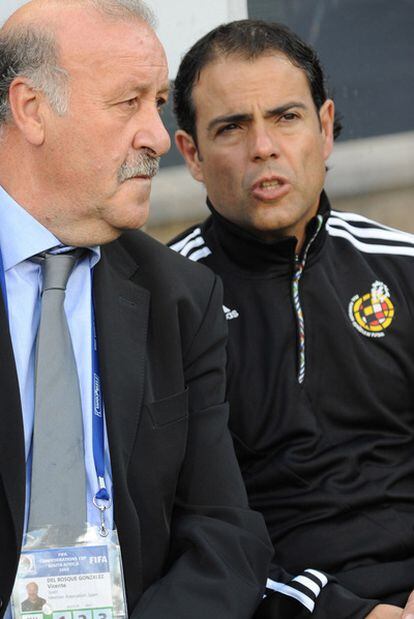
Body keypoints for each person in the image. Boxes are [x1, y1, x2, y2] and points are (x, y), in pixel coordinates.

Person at [0, 3, 272, 618]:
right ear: (31, 109)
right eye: (128, 103)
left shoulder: (181, 297)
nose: (156, 137)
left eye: (158, 103)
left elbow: (224, 533)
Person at [169, 19, 414, 619]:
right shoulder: (164, 304)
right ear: (192, 155)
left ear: (325, 128)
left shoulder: (404, 266)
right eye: (232, 127)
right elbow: (190, 533)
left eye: (286, 117)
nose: (263, 147)